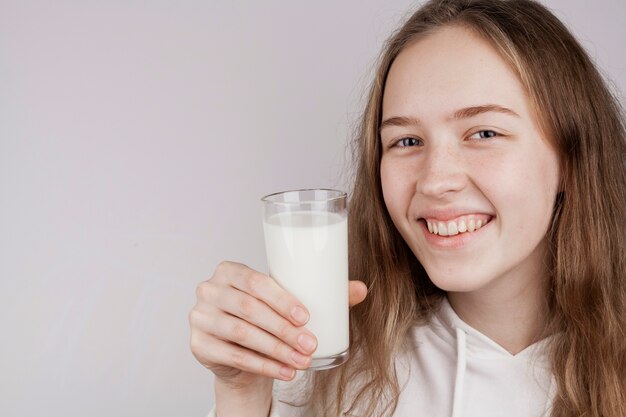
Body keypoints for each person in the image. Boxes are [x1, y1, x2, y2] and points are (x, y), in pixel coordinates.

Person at [189, 0, 626, 416]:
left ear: (571, 156)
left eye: (484, 133)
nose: (435, 181)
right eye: (407, 141)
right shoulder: (328, 373)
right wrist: (241, 393)